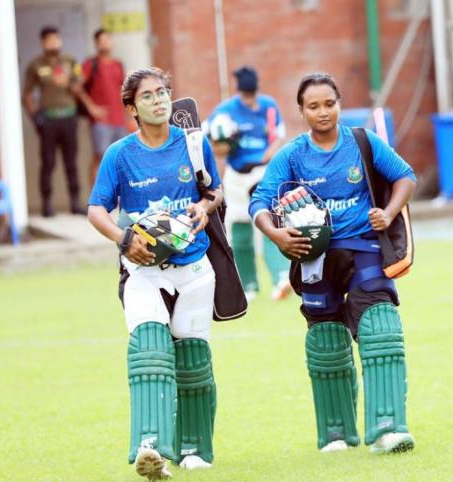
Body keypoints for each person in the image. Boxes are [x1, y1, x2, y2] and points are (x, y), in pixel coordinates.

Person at [249, 72, 418, 454]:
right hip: (315, 258)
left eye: (330, 103)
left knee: (380, 329)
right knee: (326, 342)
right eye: (314, 106)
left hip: (364, 249)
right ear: (301, 111)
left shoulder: (361, 142)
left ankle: (389, 428)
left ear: (339, 103)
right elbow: (258, 201)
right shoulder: (292, 155)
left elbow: (406, 176)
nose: (323, 112)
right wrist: (276, 233)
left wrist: (389, 212)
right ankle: (337, 433)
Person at [87, 67, 223, 480]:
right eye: (148, 96)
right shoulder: (120, 154)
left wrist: (204, 207)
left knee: (193, 361)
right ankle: (150, 446)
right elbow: (96, 209)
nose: (159, 100)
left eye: (163, 92)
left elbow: (213, 191)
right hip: (144, 271)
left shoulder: (195, 145)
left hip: (196, 269)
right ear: (131, 107)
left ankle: (195, 448)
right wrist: (123, 238)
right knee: (149, 351)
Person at [206, 66, 291, 301]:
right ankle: (248, 284)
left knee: (269, 221)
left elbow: (278, 136)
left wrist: (268, 155)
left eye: (252, 96)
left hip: (262, 173)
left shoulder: (269, 106)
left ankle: (281, 277)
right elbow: (211, 143)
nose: (249, 101)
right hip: (235, 176)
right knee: (240, 229)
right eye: (245, 97)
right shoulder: (225, 111)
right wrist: (222, 145)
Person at [23, 26, 104, 217]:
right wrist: (36, 119)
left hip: (69, 118)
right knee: (48, 163)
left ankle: (75, 202)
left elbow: (79, 85)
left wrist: (68, 81)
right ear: (43, 43)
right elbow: (26, 95)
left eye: (57, 39)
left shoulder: (69, 61)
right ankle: (46, 204)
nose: (54, 43)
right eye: (50, 40)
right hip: (48, 119)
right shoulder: (36, 65)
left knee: (71, 162)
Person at [81, 28, 128, 184]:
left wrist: (130, 116)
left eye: (108, 39)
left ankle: (120, 199)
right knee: (99, 157)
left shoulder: (118, 64)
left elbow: (124, 91)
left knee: (121, 159)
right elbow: (76, 87)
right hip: (101, 121)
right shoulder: (90, 64)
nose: (105, 43)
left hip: (119, 119)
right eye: (101, 40)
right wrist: (91, 107)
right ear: (96, 44)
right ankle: (96, 200)